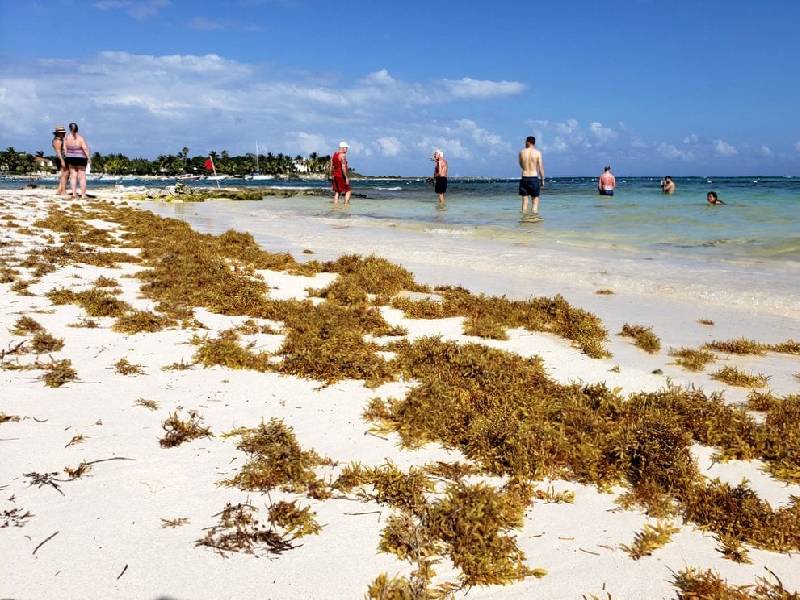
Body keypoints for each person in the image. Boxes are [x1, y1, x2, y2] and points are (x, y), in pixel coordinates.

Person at [518, 136, 544, 215]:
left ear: (528, 142)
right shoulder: (537, 153)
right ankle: (534, 220)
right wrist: (542, 180)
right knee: (535, 200)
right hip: (533, 177)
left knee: (525, 201)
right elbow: (540, 167)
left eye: (525, 142)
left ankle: (524, 219)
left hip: (524, 177)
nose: (525, 143)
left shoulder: (521, 152)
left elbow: (521, 165)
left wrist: (526, 169)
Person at [63, 122, 90, 199]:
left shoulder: (67, 138)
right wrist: (88, 157)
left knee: (73, 176)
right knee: (82, 177)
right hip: (80, 158)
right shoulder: (80, 138)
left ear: (70, 129)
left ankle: (74, 194)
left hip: (70, 157)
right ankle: (83, 195)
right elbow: (85, 148)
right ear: (77, 128)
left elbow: (65, 149)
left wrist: (67, 156)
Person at [51, 125, 68, 195]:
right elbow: (58, 152)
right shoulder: (57, 141)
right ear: (58, 133)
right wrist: (62, 161)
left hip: (62, 157)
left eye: (64, 132)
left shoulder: (59, 140)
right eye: (62, 133)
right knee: (64, 175)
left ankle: (59, 190)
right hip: (62, 158)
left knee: (65, 175)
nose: (64, 134)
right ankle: (63, 191)